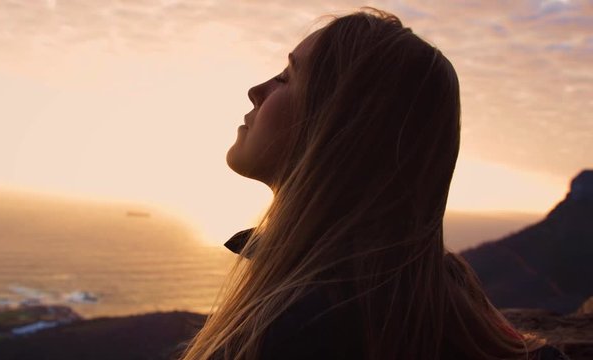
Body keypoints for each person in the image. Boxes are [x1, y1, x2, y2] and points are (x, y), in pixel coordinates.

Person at [178, 7, 570, 360]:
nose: (256, 90)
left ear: (344, 125)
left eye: (286, 77)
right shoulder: (430, 290)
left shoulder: (301, 329)